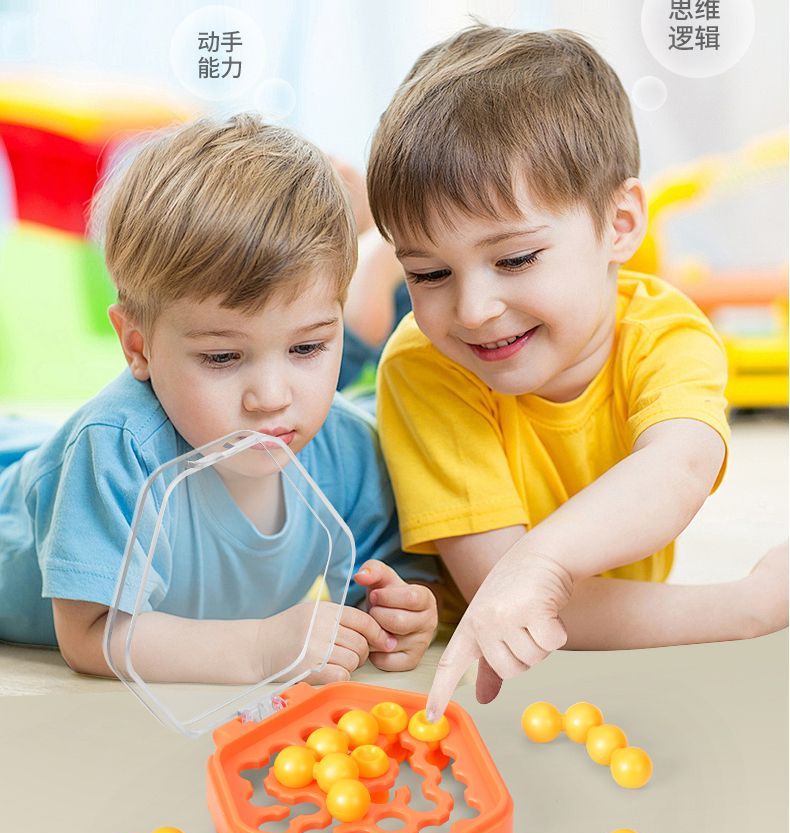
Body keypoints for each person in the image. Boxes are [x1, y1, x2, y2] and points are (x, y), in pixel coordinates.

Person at [366, 25, 788, 718]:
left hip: (588, 644)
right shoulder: (426, 363)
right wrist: (744, 607)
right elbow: (505, 598)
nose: (473, 310)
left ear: (619, 224)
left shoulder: (666, 333)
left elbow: (677, 469)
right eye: (429, 273)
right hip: (465, 649)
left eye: (515, 259)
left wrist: (542, 562)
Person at [0, 114, 438, 685]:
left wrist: (399, 611)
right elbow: (92, 634)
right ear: (137, 346)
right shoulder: (117, 449)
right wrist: (259, 650)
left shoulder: (347, 451)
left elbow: (389, 573)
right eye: (223, 357)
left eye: (307, 347)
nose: (271, 398)